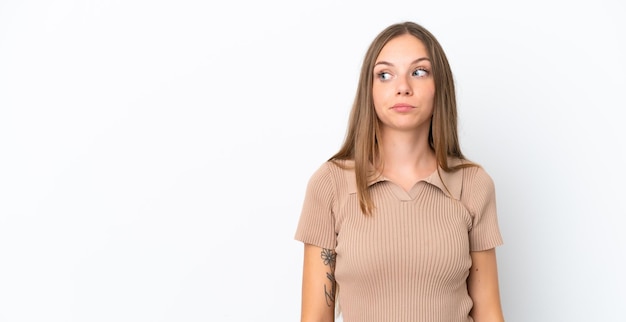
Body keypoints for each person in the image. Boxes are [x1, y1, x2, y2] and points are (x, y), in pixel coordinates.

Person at [294, 21, 505, 322]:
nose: (403, 87)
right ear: (370, 90)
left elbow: (489, 314)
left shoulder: (473, 184)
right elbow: (315, 317)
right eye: (385, 74)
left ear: (439, 86)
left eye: (419, 72)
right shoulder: (330, 184)